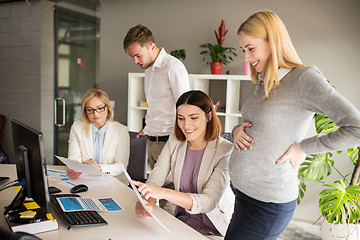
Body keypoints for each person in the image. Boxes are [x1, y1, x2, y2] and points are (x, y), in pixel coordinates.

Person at [225, 10, 360, 240]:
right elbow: (263, 123)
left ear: (273, 41)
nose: (246, 58)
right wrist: (238, 130)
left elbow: (355, 128)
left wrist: (302, 148)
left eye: (251, 48)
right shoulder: (265, 79)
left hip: (267, 204)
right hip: (244, 195)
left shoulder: (303, 78)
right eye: (243, 50)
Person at [132, 90, 234, 238]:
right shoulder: (175, 141)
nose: (186, 125)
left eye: (193, 118)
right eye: (181, 118)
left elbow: (209, 201)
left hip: (217, 227)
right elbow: (155, 181)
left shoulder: (225, 150)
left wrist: (162, 193)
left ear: (209, 116)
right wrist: (147, 202)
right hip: (185, 222)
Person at [123, 24, 190, 169]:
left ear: (152, 46)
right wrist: (147, 128)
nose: (135, 61)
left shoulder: (173, 67)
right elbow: (156, 105)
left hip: (170, 142)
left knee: (168, 189)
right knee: (155, 188)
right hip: (152, 141)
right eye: (132, 57)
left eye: (138, 55)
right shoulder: (148, 69)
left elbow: (186, 107)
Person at [67, 88, 130, 180]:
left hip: (113, 180)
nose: (95, 114)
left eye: (100, 108)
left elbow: (121, 166)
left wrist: (100, 168)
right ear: (85, 111)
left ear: (107, 107)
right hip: (85, 179)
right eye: (90, 110)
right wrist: (73, 168)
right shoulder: (77, 127)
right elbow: (74, 156)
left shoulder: (121, 130)